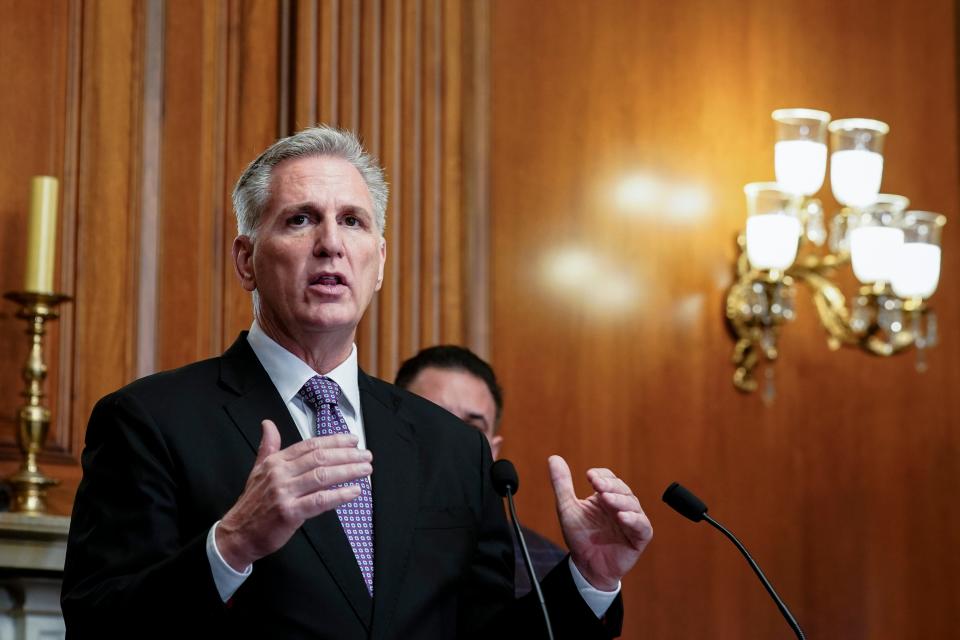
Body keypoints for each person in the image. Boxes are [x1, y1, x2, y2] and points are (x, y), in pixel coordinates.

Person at [61, 125, 653, 639]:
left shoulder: (451, 447)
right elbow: (97, 626)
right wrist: (230, 544)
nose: (331, 244)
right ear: (246, 260)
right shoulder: (149, 420)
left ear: (379, 262)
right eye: (300, 220)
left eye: (352, 221)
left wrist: (591, 581)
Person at [395, 345, 567, 597]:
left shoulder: (547, 566)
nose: (449, 442)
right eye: (430, 419)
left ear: (493, 452)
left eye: (470, 430)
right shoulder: (355, 539)